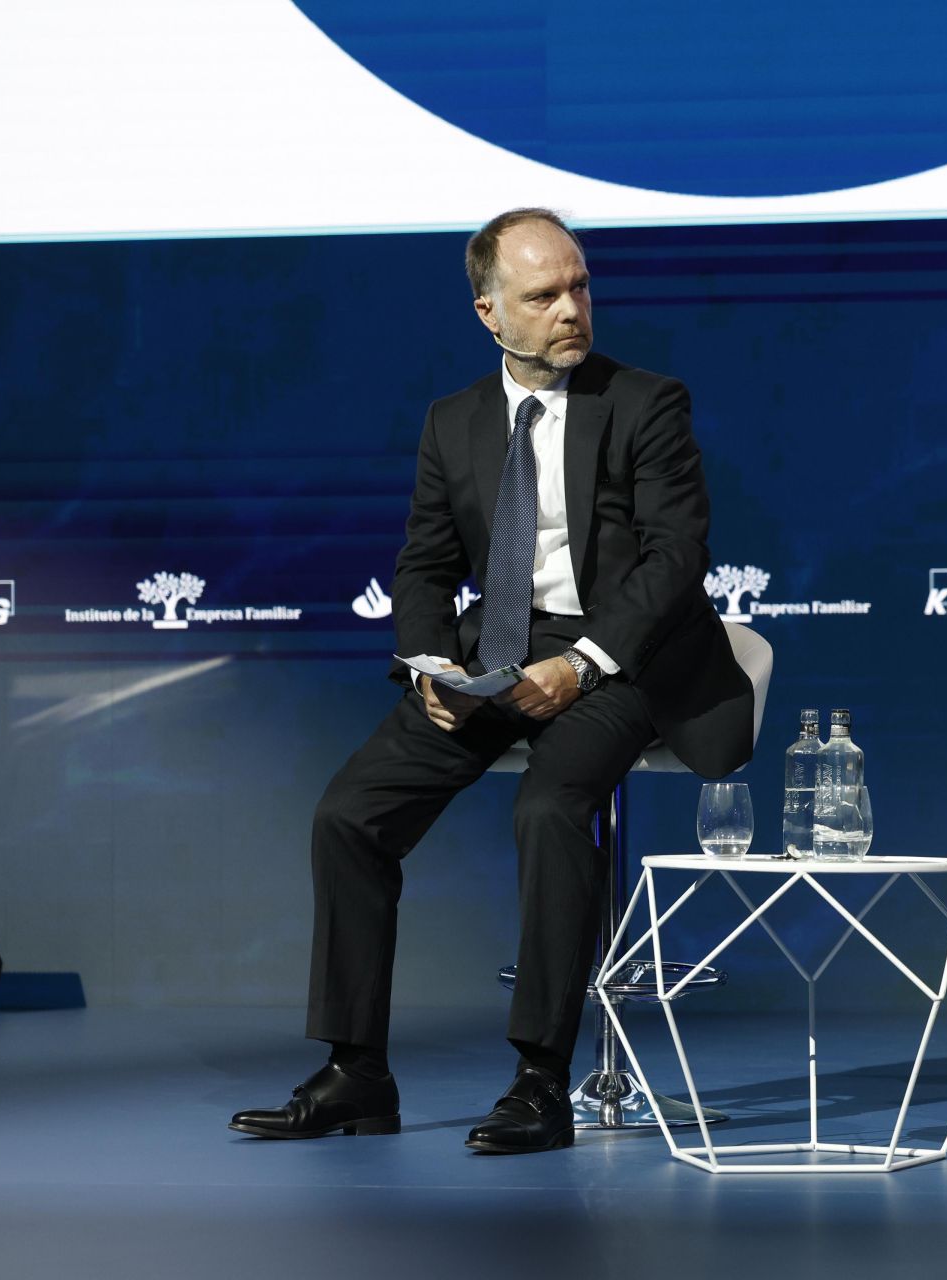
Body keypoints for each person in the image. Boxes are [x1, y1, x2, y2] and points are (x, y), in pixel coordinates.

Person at [231, 208, 753, 1154]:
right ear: (489, 312)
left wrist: (582, 663)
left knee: (552, 810)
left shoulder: (645, 402)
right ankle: (358, 1071)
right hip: (494, 650)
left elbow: (676, 559)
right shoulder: (453, 421)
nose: (570, 310)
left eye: (580, 287)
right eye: (542, 295)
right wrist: (430, 665)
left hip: (622, 655)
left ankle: (539, 1080)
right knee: (350, 815)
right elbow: (426, 564)